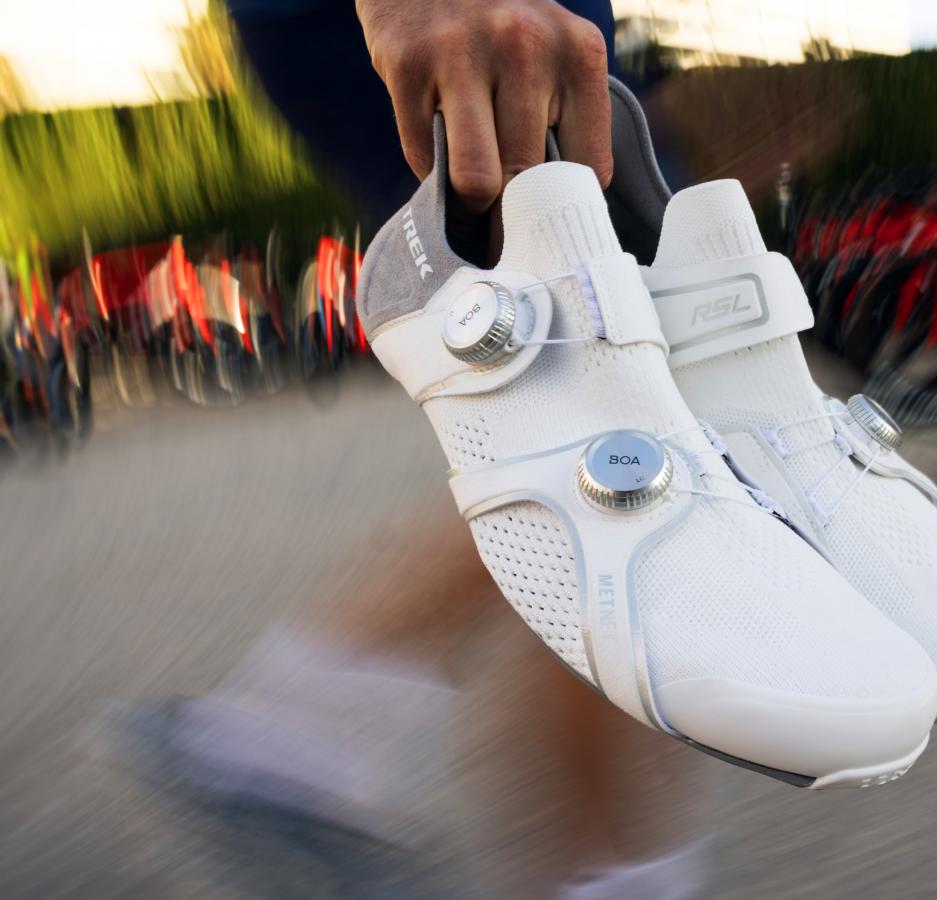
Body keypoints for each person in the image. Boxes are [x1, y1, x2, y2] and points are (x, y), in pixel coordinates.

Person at [105, 2, 718, 898]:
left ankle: (313, 724)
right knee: (636, 427)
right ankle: (310, 721)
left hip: (519, 43)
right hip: (482, 31)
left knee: (622, 436)